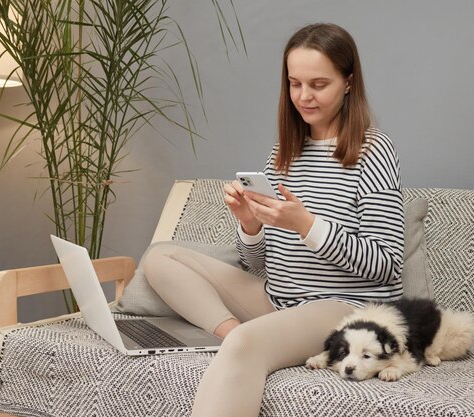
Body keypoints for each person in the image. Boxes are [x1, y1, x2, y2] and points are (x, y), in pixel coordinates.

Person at [143, 22, 404, 417]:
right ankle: (235, 333)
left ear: (349, 83)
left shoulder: (373, 150)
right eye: (294, 83)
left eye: (319, 84)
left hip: (343, 308)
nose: (304, 96)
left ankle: (245, 341)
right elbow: (257, 265)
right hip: (278, 301)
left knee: (247, 346)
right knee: (159, 258)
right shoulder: (284, 152)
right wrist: (249, 225)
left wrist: (307, 225)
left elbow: (386, 264)